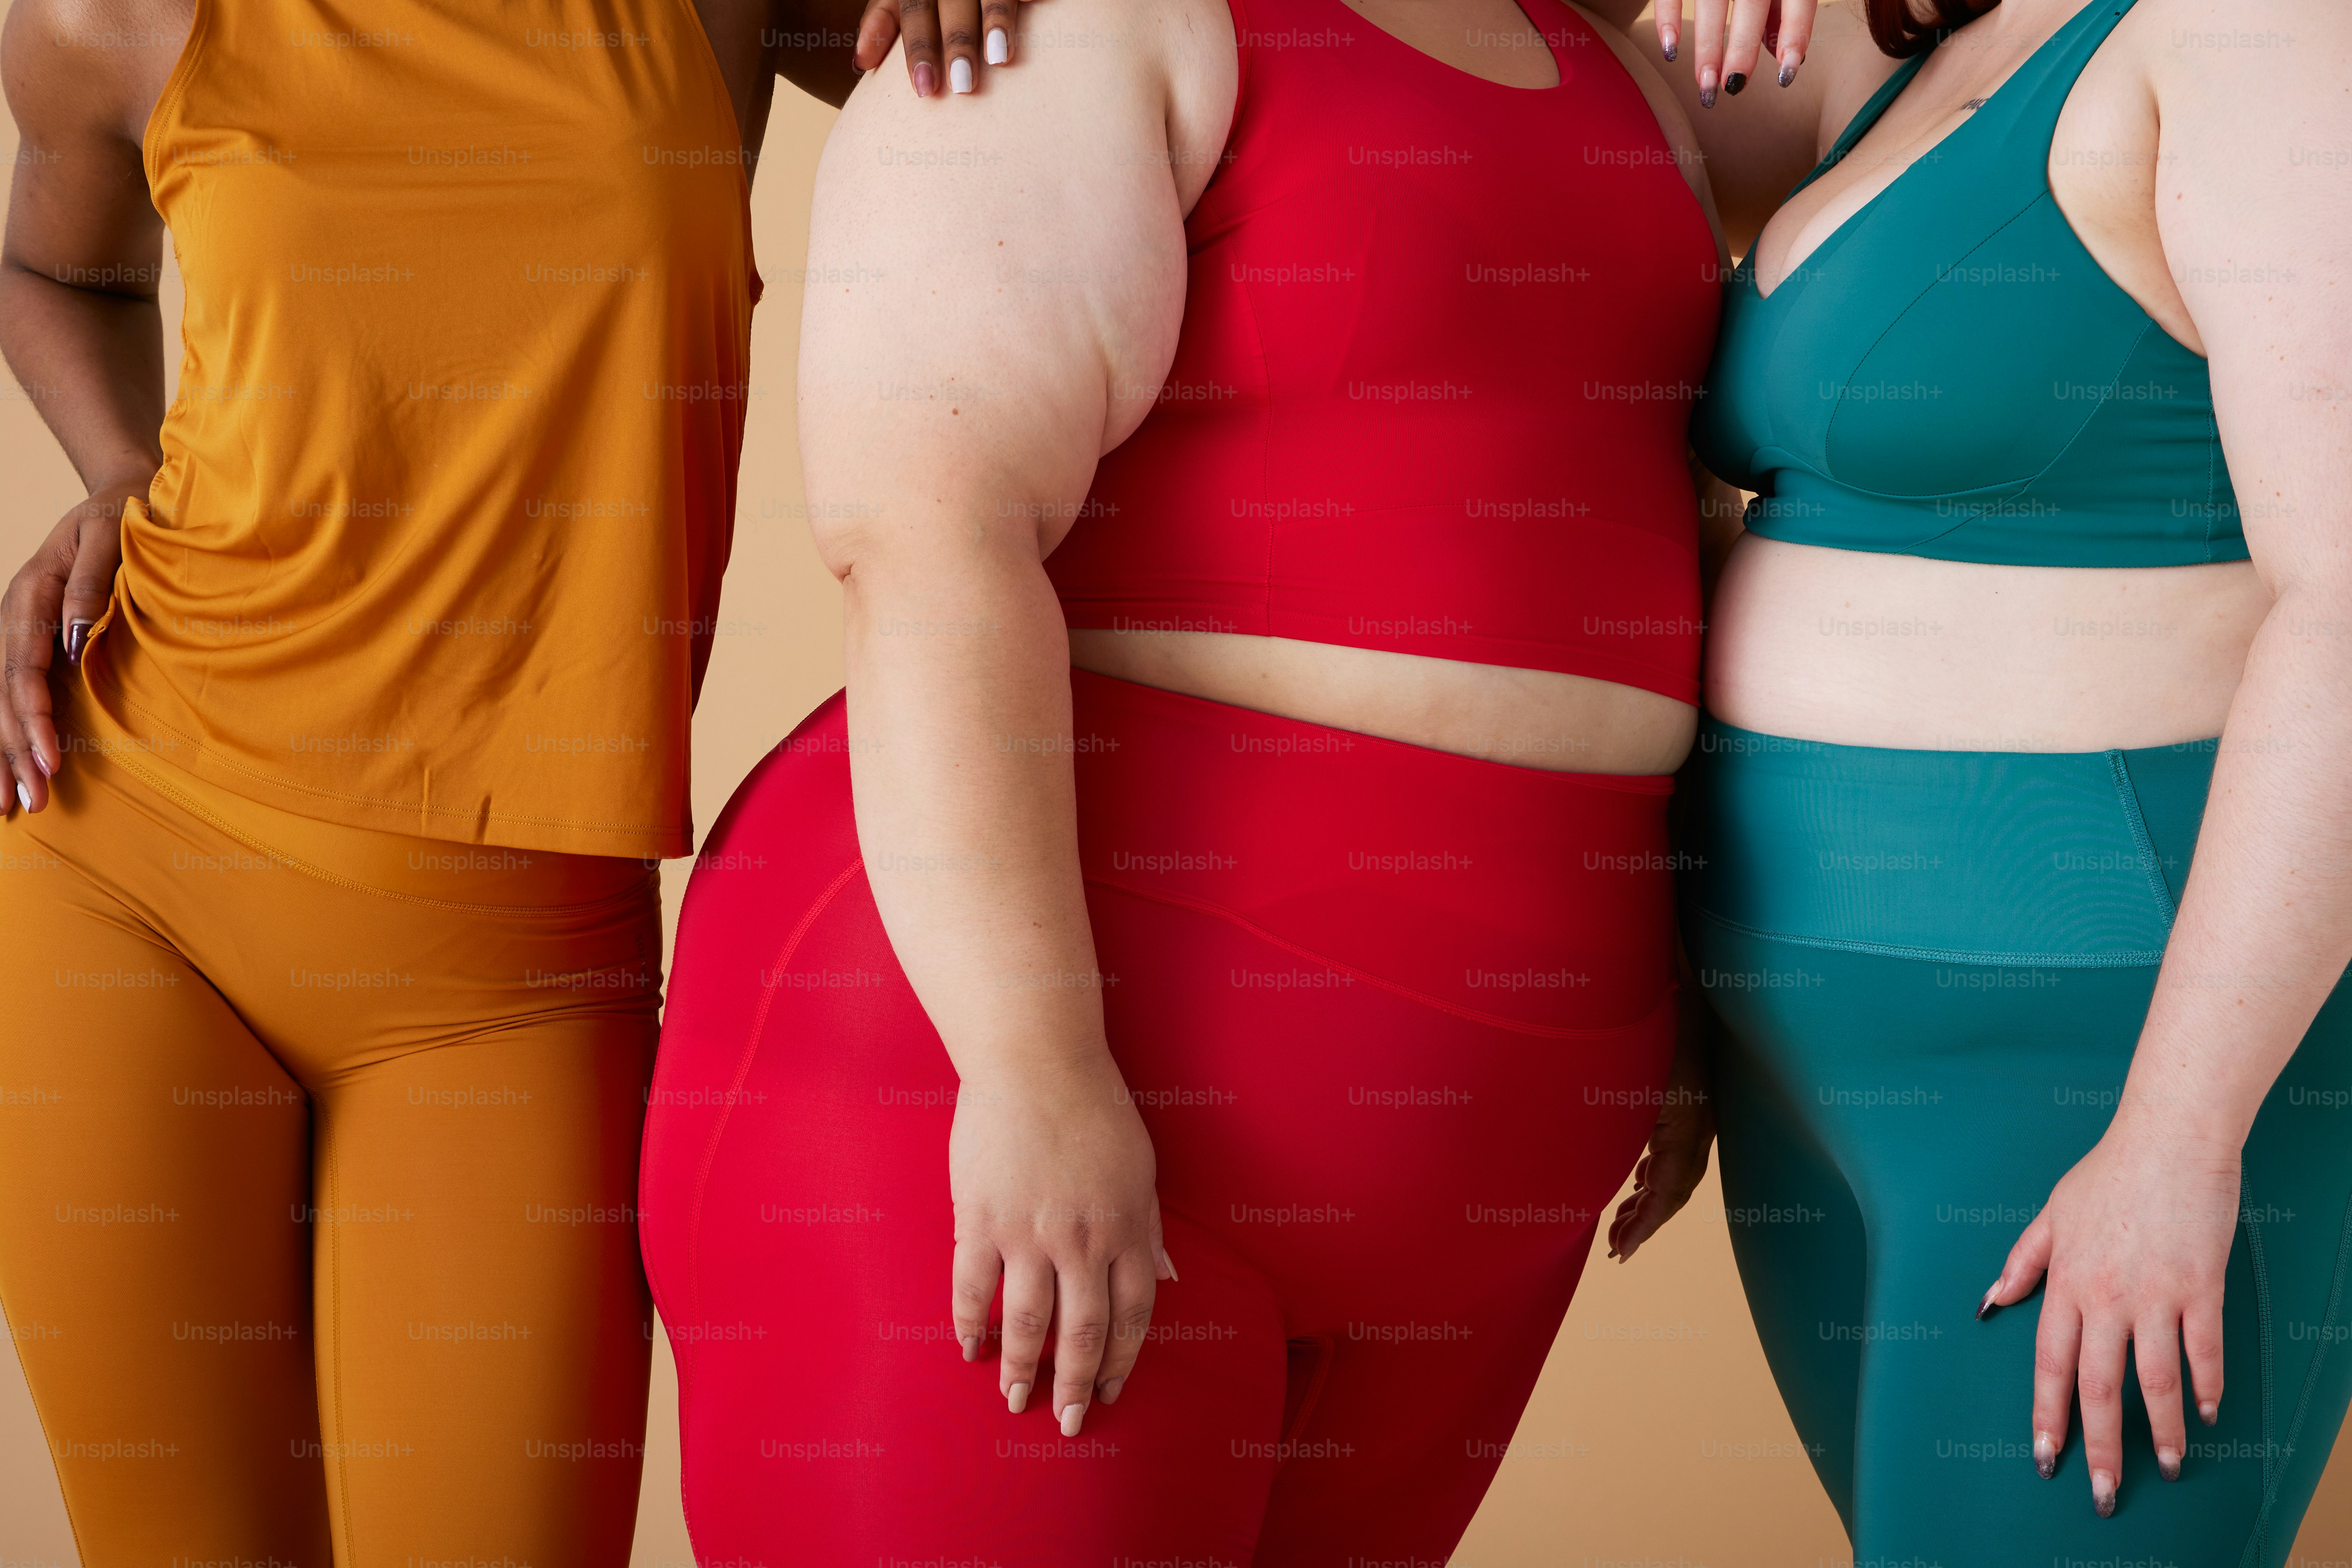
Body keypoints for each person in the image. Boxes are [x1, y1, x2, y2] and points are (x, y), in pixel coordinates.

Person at [635, 0, 1729, 1559]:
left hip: (1496, 1169)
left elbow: (1646, 522)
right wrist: (1032, 1063)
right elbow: (928, 528)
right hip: (1014, 1075)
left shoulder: (1626, 71)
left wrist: (1678, 969)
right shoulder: (1079, 20)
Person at [0, 0, 1018, 1556]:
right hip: (128, 874)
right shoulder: (109, 14)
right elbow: (56, 267)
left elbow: (1028, 66)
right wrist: (122, 478)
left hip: (511, 977)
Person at [1620, 0, 2352, 1558]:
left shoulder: (2258, 34)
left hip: (2096, 1057)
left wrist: (2177, 1136)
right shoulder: (1904, 52)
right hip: (1805, 1071)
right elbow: (1544, 57)